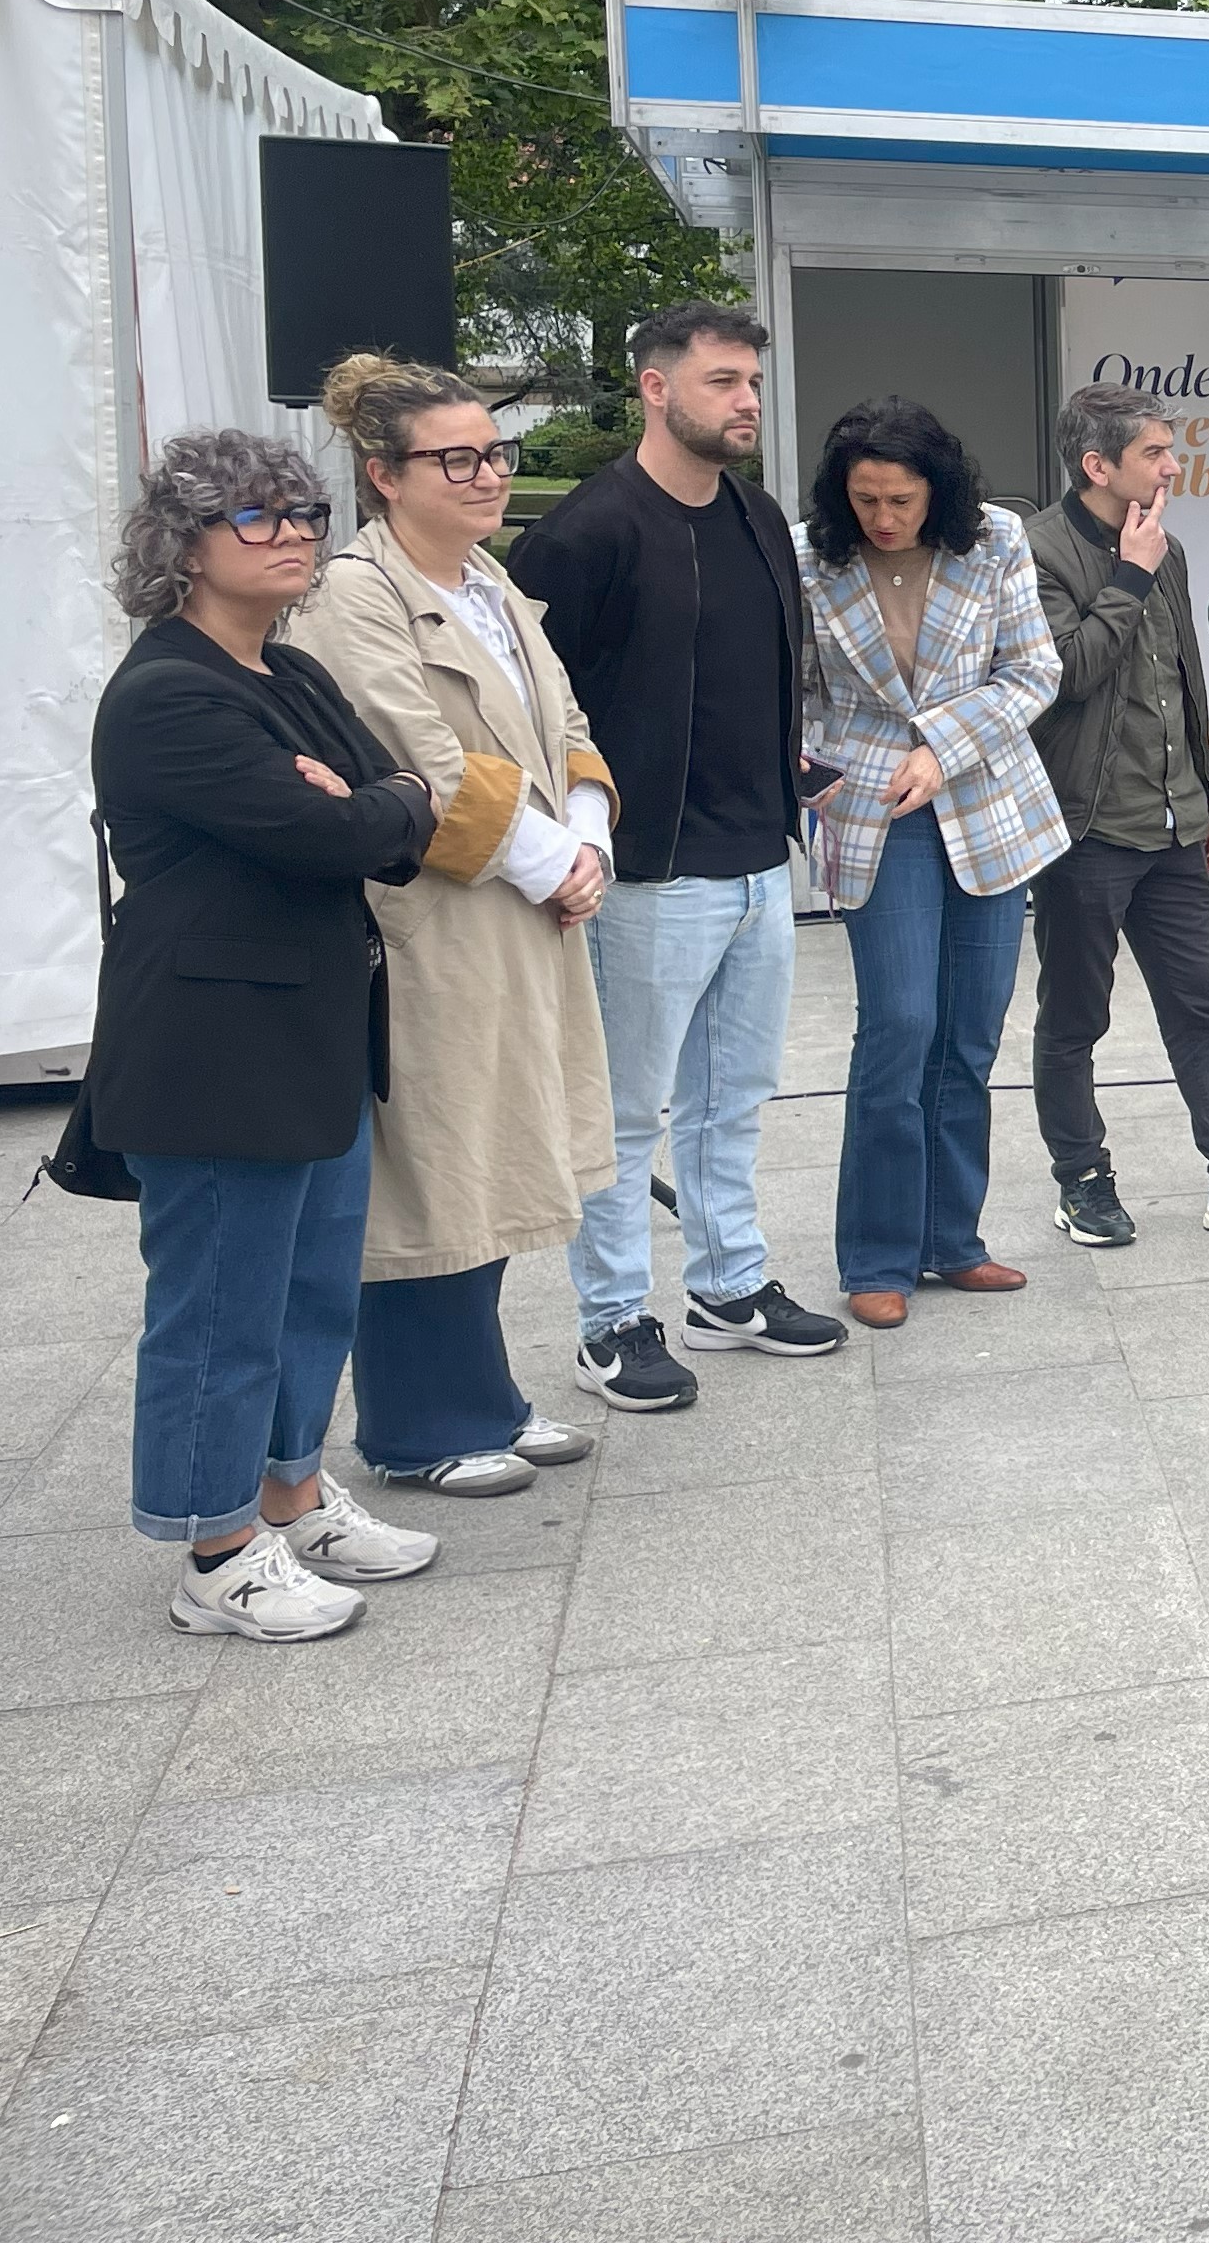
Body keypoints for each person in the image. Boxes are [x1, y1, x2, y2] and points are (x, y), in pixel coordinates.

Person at [88, 430, 444, 1639]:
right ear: (183, 544)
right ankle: (217, 1551)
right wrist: (368, 808)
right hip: (213, 1050)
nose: (294, 532)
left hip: (312, 1033)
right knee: (220, 1310)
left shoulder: (287, 673)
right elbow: (331, 835)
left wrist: (379, 802)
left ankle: (291, 1493)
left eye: (303, 512)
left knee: (309, 1291)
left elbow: (399, 804)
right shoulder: (169, 695)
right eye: (257, 515)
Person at [509, 301, 849, 1407]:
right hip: (646, 872)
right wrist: (570, 847)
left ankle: (728, 1285)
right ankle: (611, 1320)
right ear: (655, 388)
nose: (747, 401)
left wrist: (791, 777)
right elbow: (535, 713)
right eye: (721, 382)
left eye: (752, 381)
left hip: (758, 860)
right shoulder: (585, 533)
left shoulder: (757, 516)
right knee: (623, 1110)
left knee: (732, 1097)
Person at [286, 356, 615, 1496]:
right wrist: (555, 861)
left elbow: (568, 724)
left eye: (495, 452)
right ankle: (421, 1425)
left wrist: (588, 839)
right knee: (433, 1166)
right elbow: (414, 755)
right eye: (456, 458)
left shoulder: (491, 581)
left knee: (497, 1153)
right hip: (438, 917)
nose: (487, 475)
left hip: (525, 910)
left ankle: (485, 1395)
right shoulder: (352, 595)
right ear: (384, 475)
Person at [1024, 387, 1209, 1245]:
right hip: (1087, 826)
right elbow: (1069, 673)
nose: (1173, 467)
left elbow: (1183, 677)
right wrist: (1130, 573)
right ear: (1097, 466)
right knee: (1075, 1016)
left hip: (1175, 823)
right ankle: (1082, 1180)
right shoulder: (1038, 551)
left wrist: (1205, 786)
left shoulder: (1170, 547)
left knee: (1202, 1010)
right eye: (1154, 453)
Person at [793, 402, 1067, 1325]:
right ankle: (877, 1255)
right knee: (900, 1025)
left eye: (900, 500)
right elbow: (795, 690)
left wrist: (941, 746)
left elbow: (1031, 673)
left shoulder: (995, 540)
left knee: (970, 1035)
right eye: (864, 499)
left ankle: (953, 1240)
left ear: (936, 492)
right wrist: (812, 771)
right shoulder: (809, 557)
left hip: (987, 802)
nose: (882, 518)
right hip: (873, 806)